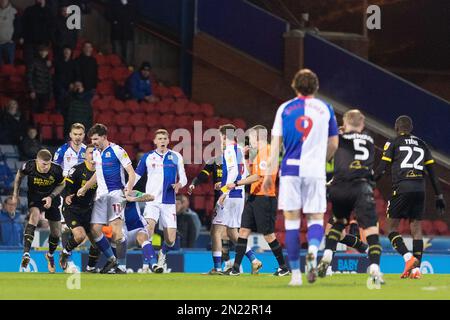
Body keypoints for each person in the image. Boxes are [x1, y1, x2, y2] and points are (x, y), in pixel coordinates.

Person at [263, 69, 339, 286]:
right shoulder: (326, 109)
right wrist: (320, 161)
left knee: (292, 223)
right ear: (316, 87)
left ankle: (296, 276)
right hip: (315, 171)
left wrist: (270, 174)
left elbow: (275, 146)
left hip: (290, 171)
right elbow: (334, 143)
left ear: (295, 86)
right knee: (316, 218)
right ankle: (314, 250)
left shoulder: (284, 109)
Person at [373, 115, 446, 279]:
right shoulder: (422, 145)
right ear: (411, 129)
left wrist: (370, 181)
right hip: (420, 189)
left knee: (390, 228)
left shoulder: (393, 142)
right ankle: (416, 270)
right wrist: (439, 195)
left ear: (397, 128)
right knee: (416, 228)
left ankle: (408, 258)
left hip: (402, 187)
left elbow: (382, 169)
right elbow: (433, 174)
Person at [316, 110, 383, 285]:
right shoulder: (369, 140)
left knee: (337, 225)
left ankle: (327, 258)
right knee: (370, 231)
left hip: (341, 187)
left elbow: (333, 152)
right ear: (362, 124)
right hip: (362, 187)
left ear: (345, 123)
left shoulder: (339, 139)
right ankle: (375, 268)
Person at [224, 125, 289, 276]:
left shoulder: (266, 151)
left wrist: (236, 183)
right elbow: (252, 172)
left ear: (258, 137)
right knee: (243, 231)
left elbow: (258, 176)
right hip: (254, 197)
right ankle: (235, 269)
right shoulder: (260, 153)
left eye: (251, 138)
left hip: (265, 198)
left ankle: (283, 267)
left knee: (268, 235)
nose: (250, 141)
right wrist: (246, 158)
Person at [77, 123, 136, 274]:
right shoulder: (96, 153)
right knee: (95, 230)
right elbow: (97, 174)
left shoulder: (117, 150)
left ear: (104, 137)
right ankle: (112, 259)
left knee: (116, 231)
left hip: (116, 194)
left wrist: (128, 188)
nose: (94, 142)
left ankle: (121, 266)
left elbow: (131, 172)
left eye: (96, 139)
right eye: (92, 139)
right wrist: (84, 188)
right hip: (101, 196)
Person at [209, 124, 261, 275]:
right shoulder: (239, 150)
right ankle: (254, 260)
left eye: (219, 137)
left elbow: (234, 171)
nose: (219, 140)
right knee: (232, 233)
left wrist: (225, 190)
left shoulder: (230, 150)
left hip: (230, 195)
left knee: (216, 231)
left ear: (224, 136)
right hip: (239, 195)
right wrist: (223, 183)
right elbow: (242, 173)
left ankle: (218, 268)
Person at [134, 129, 187, 273]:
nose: (162, 141)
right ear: (155, 141)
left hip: (169, 202)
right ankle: (147, 263)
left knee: (171, 239)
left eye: (165, 138)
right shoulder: (148, 157)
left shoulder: (176, 156)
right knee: (148, 230)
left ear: (168, 141)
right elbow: (137, 176)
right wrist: (127, 188)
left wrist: (179, 184)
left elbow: (183, 177)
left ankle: (162, 255)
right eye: (160, 138)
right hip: (151, 200)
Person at [11, 149, 65, 273]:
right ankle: (26, 253)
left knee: (56, 233)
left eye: (48, 164)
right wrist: (15, 194)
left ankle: (50, 255)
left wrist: (51, 197)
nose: (46, 167)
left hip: (52, 197)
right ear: (37, 160)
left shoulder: (57, 170)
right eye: (43, 164)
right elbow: (19, 175)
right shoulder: (29, 166)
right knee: (34, 216)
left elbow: (62, 185)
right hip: (35, 197)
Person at [58, 144, 101, 272]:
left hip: (89, 210)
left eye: (95, 153)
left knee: (98, 242)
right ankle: (64, 254)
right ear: (85, 156)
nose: (92, 155)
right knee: (80, 235)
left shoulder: (102, 172)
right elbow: (63, 186)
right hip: (73, 209)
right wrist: (66, 196)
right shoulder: (76, 170)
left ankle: (90, 268)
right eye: (90, 153)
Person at [188, 155, 234, 268]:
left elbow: (239, 180)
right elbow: (203, 174)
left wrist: (223, 186)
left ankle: (225, 264)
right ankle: (222, 264)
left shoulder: (235, 159)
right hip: (219, 200)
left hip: (231, 198)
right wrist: (194, 183)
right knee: (218, 232)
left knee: (223, 233)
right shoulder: (215, 160)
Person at [123, 191, 157, 273]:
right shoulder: (111, 196)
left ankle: (153, 265)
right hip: (121, 232)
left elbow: (151, 197)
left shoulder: (133, 193)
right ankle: (118, 266)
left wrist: (132, 199)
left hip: (136, 228)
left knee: (143, 236)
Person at [21, 0, 55, 65]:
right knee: (29, 64)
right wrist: (22, 36)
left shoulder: (49, 11)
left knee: (42, 65)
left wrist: (49, 40)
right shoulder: (29, 10)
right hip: (29, 42)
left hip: (43, 43)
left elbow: (52, 27)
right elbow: (23, 24)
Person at [108, 0, 137, 66]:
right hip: (116, 33)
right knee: (116, 58)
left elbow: (138, 14)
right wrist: (114, 22)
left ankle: (127, 73)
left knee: (128, 59)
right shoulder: (113, 2)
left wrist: (133, 23)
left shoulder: (133, 2)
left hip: (128, 33)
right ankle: (117, 73)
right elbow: (107, 13)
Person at [27, 45, 52, 113]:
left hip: (45, 91)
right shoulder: (34, 62)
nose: (44, 53)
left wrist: (50, 92)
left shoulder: (48, 63)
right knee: (33, 111)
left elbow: (49, 78)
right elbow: (29, 76)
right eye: (42, 51)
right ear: (39, 52)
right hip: (36, 91)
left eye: (45, 51)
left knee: (42, 112)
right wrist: (31, 90)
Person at [54, 46, 76, 114]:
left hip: (70, 85)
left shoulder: (73, 63)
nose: (67, 52)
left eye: (68, 51)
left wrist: (72, 83)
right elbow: (56, 75)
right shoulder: (58, 62)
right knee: (61, 95)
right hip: (60, 85)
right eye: (65, 51)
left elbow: (76, 74)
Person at [0, 0, 18, 66]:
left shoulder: (14, 11)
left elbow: (18, 26)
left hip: (9, 43)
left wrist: (14, 39)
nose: (2, 1)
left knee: (9, 66)